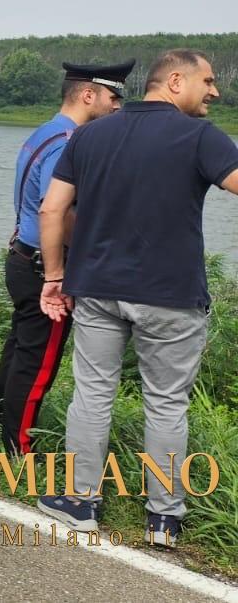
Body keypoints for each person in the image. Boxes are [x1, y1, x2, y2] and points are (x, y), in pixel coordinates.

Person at [36, 49, 236, 549]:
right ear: (174, 81)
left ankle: (81, 503)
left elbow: (53, 208)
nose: (214, 91)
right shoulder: (199, 137)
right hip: (170, 296)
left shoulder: (90, 134)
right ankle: (163, 520)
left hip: (98, 289)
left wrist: (54, 275)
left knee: (92, 394)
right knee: (167, 404)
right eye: (207, 81)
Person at [0, 60, 131, 457]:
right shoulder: (71, 142)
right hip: (46, 266)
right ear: (89, 95)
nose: (118, 106)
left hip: (22, 255)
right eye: (113, 97)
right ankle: (18, 449)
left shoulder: (45, 131)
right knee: (39, 360)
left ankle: (1, 423)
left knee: (20, 347)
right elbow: (60, 212)